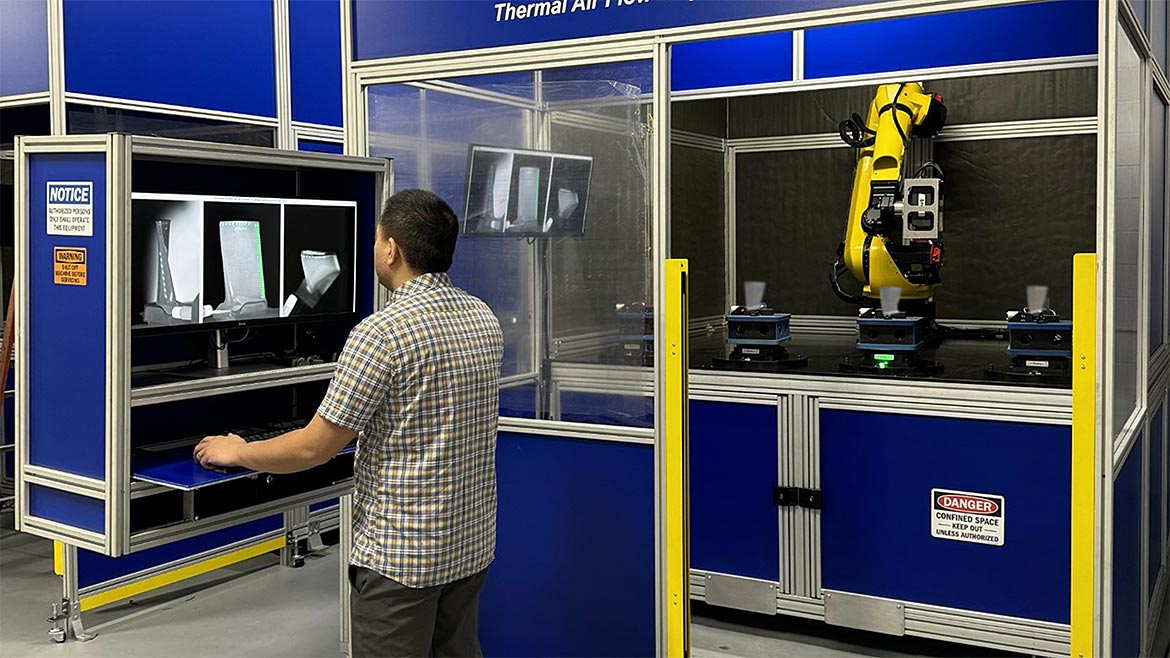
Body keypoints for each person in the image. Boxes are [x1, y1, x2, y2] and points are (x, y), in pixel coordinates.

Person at [195, 189, 504, 657]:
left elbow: (312, 448)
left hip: (401, 560)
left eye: (377, 239)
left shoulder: (381, 333)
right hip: (469, 545)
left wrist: (236, 450)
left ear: (392, 249)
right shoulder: (482, 318)